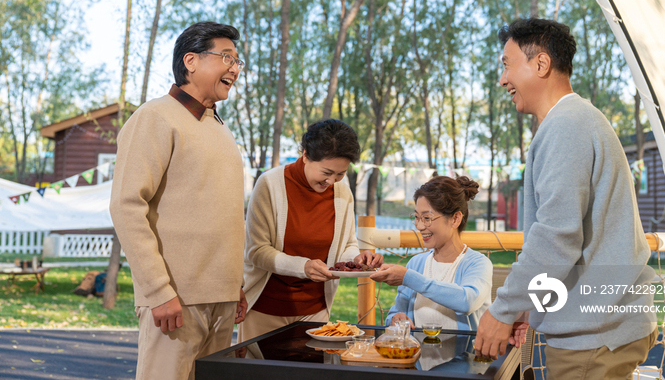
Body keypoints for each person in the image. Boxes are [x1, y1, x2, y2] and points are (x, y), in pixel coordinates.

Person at [474, 18, 657, 379]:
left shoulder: (566, 125)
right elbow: (579, 237)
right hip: (605, 327)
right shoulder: (575, 121)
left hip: (595, 338)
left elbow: (557, 237)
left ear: (540, 64)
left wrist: (503, 310)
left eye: (507, 65)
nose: (502, 80)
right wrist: (531, 304)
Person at [110, 21, 248, 380]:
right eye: (226, 57)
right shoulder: (154, 117)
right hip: (175, 300)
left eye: (238, 61)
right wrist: (158, 291)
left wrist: (234, 285)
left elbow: (223, 216)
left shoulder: (219, 128)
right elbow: (126, 207)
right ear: (191, 61)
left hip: (222, 301)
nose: (235, 68)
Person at [237, 119, 383, 342]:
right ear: (305, 155)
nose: (331, 181)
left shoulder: (342, 192)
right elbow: (256, 251)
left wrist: (356, 257)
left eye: (340, 174)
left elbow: (347, 245)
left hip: (316, 310)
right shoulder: (269, 184)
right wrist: (302, 267)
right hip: (264, 309)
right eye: (327, 172)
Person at [371, 175, 492, 333]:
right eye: (417, 217)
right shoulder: (416, 263)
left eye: (427, 218)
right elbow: (395, 313)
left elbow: (467, 302)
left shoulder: (478, 263)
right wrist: (395, 318)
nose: (419, 226)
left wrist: (408, 277)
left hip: (465, 356)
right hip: (416, 356)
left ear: (455, 219)